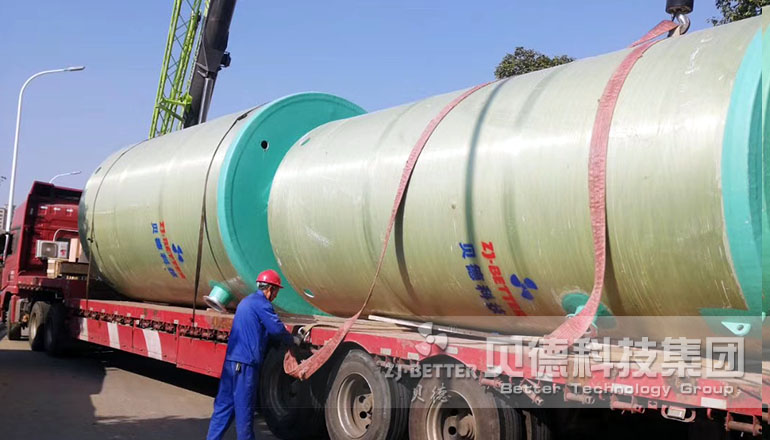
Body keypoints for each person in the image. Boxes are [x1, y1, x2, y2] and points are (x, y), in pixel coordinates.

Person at [206, 269, 297, 440]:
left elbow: (259, 329)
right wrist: (292, 340)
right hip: (245, 364)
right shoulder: (262, 304)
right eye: (276, 291)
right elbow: (276, 329)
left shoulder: (246, 302)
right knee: (244, 410)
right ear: (270, 289)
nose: (276, 295)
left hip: (231, 361)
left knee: (223, 407)